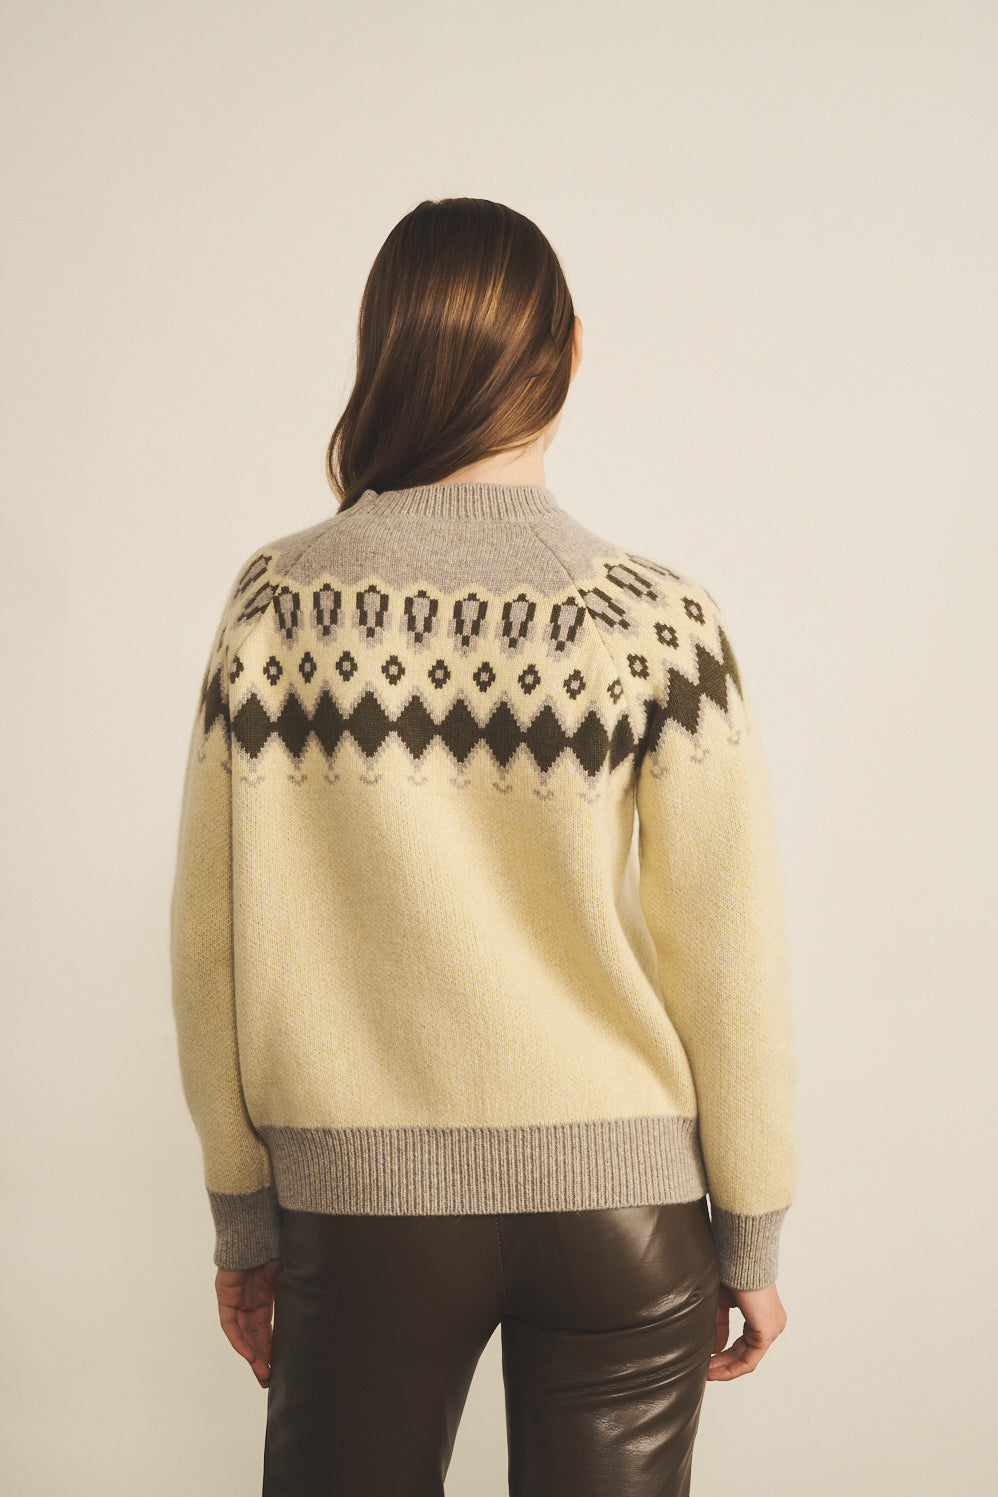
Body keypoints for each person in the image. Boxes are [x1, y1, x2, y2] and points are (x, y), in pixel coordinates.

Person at [169, 196, 797, 1496]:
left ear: (384, 351)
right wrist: (750, 1231)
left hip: (363, 1209)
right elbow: (729, 952)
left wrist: (242, 1212)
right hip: (625, 1212)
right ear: (571, 350)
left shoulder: (277, 606)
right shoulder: (658, 624)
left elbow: (209, 936)